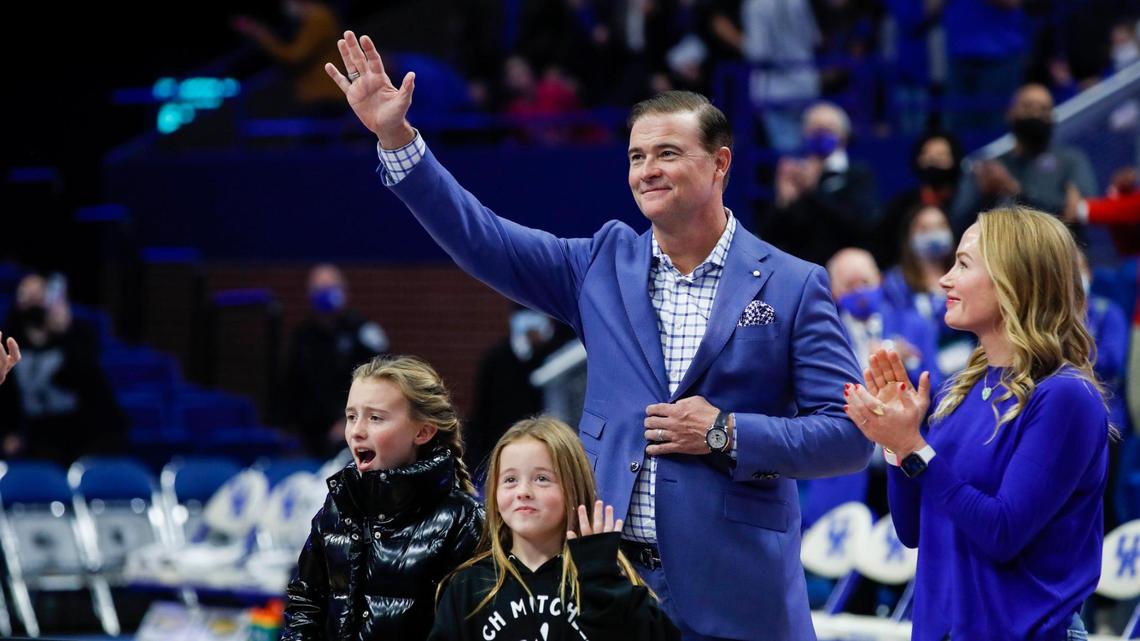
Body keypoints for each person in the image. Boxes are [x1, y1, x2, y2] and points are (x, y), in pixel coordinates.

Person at [326, 31, 871, 640]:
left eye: (667, 153)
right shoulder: (600, 264)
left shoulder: (794, 285)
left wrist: (725, 431)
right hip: (604, 586)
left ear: (720, 164)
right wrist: (398, 141)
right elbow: (484, 239)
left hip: (738, 595)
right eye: (636, 157)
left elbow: (850, 436)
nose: (647, 171)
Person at [844, 207, 1109, 640]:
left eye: (964, 264)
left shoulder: (1065, 397)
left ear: (1015, 279)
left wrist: (915, 448)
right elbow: (913, 530)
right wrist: (893, 441)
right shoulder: (958, 390)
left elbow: (1003, 531)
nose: (945, 279)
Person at [283, 355, 484, 641]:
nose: (357, 431)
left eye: (375, 417)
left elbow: (471, 627)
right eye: (351, 416)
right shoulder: (338, 505)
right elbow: (305, 600)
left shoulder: (463, 519)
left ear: (423, 431)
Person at [429, 417, 680, 640]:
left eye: (542, 479)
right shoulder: (469, 585)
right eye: (510, 480)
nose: (523, 492)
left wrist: (602, 579)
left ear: (574, 488)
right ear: (494, 493)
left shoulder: (608, 574)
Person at [0, 273, 125, 466]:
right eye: (26, 295)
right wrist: (7, 433)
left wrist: (64, 333)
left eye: (38, 295)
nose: (33, 301)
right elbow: (7, 394)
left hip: (84, 430)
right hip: (36, 435)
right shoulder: (9, 340)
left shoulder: (78, 334)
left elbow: (90, 379)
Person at [950, 83, 1097, 236]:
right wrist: (983, 195)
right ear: (1010, 113)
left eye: (1043, 109)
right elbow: (957, 224)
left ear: (1052, 117)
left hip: (1056, 254)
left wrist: (1014, 190)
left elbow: (1078, 213)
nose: (1035, 114)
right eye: (1027, 107)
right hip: (1000, 254)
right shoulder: (991, 167)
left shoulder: (1071, 161)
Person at [282, 264, 389, 458]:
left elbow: (384, 383)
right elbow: (292, 388)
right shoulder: (303, 337)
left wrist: (349, 422)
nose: (324, 294)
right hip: (311, 433)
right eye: (318, 289)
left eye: (330, 288)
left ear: (344, 292)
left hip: (353, 430)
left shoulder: (363, 333)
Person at [759, 101, 881, 266]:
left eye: (827, 129)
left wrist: (813, 192)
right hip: (801, 270)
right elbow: (770, 238)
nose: (820, 135)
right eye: (814, 130)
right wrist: (783, 201)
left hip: (842, 267)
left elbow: (861, 226)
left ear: (843, 136)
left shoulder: (857, 174)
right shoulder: (796, 176)